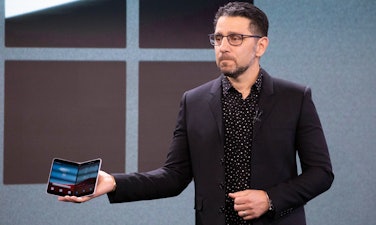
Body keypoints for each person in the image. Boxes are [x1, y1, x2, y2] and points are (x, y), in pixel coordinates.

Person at [59, 2, 334, 225]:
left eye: (235, 38)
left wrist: (270, 198)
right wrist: (113, 182)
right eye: (218, 38)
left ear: (260, 46)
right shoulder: (194, 101)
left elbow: (320, 173)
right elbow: (173, 177)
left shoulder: (295, 98)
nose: (223, 46)